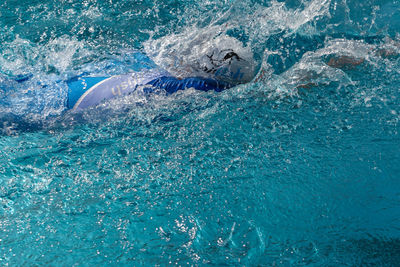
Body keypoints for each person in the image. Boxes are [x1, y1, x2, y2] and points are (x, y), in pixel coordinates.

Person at [67, 38, 256, 111]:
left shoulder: (145, 60)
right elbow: (209, 87)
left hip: (66, 84)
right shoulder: (177, 87)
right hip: (63, 112)